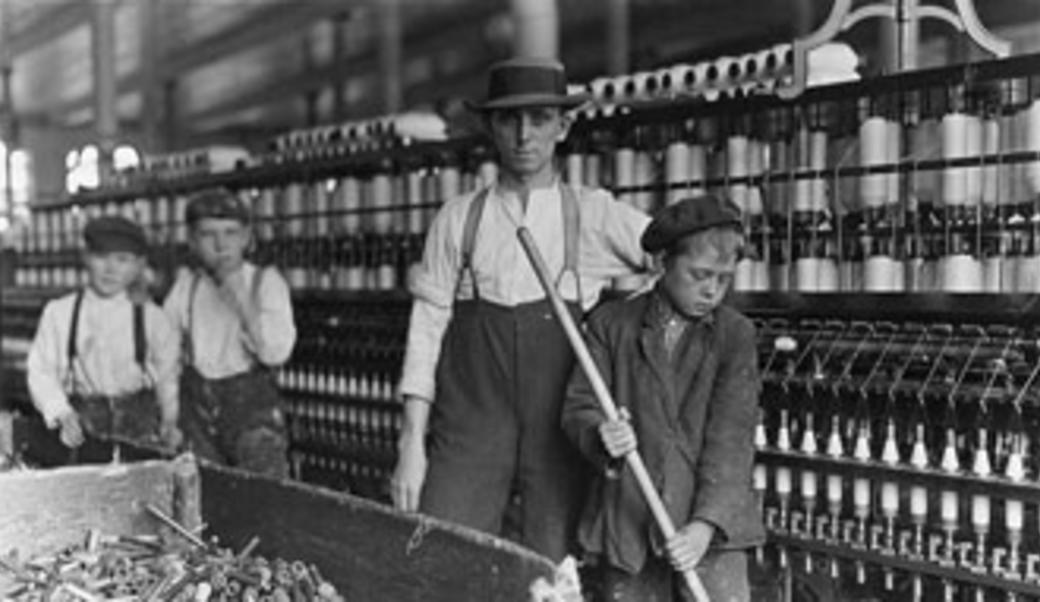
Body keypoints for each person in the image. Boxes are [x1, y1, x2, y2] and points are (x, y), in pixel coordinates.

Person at [390, 57, 653, 561]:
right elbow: (425, 332)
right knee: (443, 553)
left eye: (539, 119)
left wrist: (621, 335)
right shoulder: (457, 219)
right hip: (470, 425)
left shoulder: (592, 212)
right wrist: (410, 446)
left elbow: (676, 254)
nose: (524, 135)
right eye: (509, 120)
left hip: (558, 430)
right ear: (490, 125)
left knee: (552, 570)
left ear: (564, 125)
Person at [562, 194, 765, 601]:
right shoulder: (610, 325)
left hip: (712, 530)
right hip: (629, 524)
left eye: (723, 279)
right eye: (700, 274)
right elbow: (578, 407)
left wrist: (705, 526)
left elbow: (731, 441)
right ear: (661, 264)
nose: (712, 290)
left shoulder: (735, 336)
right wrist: (601, 434)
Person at [163, 188, 296, 478]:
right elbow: (165, 360)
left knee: (262, 498)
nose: (221, 244)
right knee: (202, 495)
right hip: (197, 414)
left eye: (231, 233)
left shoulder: (266, 283)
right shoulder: (186, 287)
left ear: (247, 238)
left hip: (252, 414)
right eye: (208, 235)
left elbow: (276, 353)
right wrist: (169, 419)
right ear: (192, 240)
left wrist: (243, 303)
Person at [27, 216, 181, 459]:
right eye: (101, 257)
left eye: (123, 260)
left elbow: (167, 378)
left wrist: (170, 422)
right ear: (86, 257)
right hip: (82, 425)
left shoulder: (153, 318)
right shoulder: (59, 312)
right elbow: (41, 371)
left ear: (139, 265)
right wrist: (60, 412)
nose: (111, 269)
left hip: (139, 428)